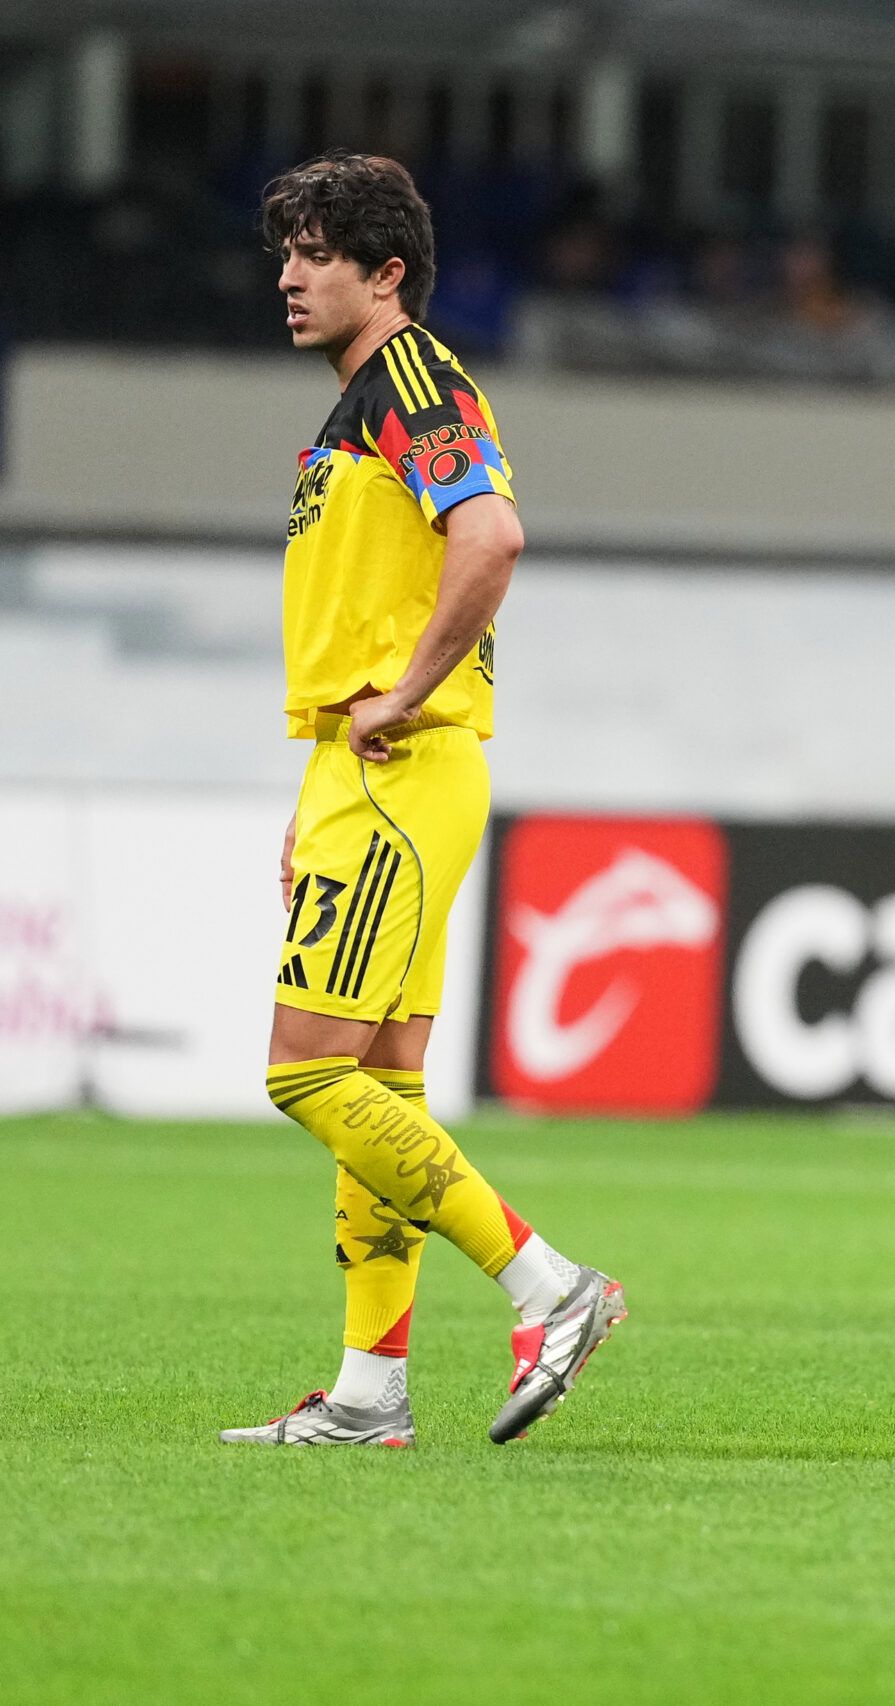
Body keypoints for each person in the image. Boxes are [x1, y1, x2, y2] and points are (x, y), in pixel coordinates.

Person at [223, 153, 620, 1449]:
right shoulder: (362, 405)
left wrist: (400, 695)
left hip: (400, 765)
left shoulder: (414, 383)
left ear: (385, 274)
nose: (288, 274)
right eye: (285, 249)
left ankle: (547, 1283)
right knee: (383, 1081)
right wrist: (323, 772)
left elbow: (491, 534)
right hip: (370, 768)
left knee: (306, 1071)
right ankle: (368, 1391)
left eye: (317, 252)